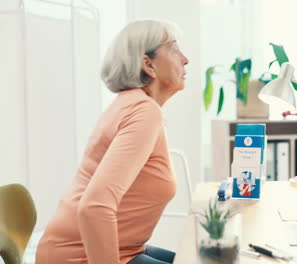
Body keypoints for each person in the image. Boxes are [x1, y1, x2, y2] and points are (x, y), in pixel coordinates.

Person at [36, 20, 189, 264]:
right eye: (174, 50)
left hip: (122, 248)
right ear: (148, 65)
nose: (185, 59)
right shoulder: (143, 111)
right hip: (78, 256)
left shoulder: (133, 104)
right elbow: (95, 206)